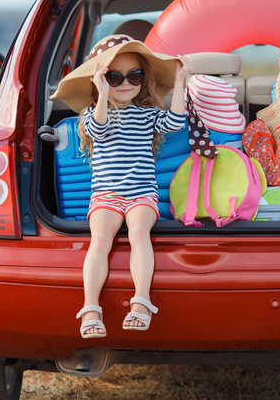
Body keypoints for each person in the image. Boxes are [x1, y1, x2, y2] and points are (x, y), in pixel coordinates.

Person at [50, 35, 190, 338]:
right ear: (101, 80)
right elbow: (97, 130)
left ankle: (141, 302)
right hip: (106, 195)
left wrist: (180, 82)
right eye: (115, 76)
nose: (125, 83)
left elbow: (176, 123)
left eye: (135, 75)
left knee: (140, 234)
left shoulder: (148, 114)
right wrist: (102, 94)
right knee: (100, 240)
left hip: (142, 193)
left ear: (144, 77)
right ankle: (90, 307)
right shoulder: (92, 114)